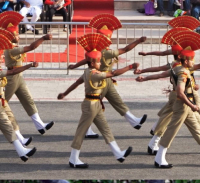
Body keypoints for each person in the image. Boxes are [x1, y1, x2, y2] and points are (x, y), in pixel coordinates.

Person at [58, 32, 139, 168]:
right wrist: (130, 67)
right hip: (90, 105)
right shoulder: (94, 74)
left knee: (105, 128)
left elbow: (76, 83)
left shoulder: (86, 72)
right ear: (92, 62)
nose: (100, 62)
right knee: (81, 132)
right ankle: (73, 158)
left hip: (95, 104)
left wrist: (65, 93)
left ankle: (118, 153)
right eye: (98, 61)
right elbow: (113, 73)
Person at [149, 30, 200, 168]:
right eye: (192, 59)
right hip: (182, 105)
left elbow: (161, 74)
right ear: (186, 60)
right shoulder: (183, 72)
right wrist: (193, 105)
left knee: (196, 129)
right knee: (171, 130)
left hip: (185, 105)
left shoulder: (180, 69)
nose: (193, 62)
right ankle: (159, 158)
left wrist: (143, 77)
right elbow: (180, 93)